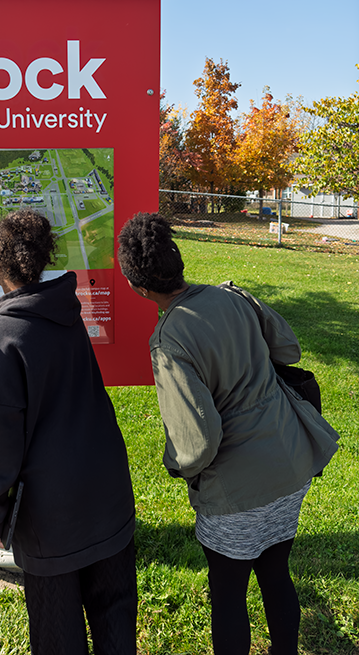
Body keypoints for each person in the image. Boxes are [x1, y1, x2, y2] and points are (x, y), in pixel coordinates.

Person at [117, 212, 339, 655]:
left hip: (237, 492)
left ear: (138, 287)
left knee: (229, 596)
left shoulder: (168, 341)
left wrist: (176, 467)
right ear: (178, 261)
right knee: (277, 574)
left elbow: (196, 443)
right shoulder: (234, 296)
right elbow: (288, 349)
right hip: (290, 460)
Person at [0, 210, 137, 655]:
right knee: (116, 614)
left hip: (53, 519)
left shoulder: (4, 336)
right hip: (107, 491)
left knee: (57, 635)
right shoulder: (66, 311)